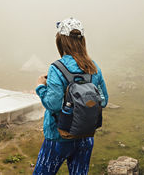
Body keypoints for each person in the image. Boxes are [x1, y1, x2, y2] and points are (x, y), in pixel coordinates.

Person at [32, 17, 108, 175]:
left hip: (58, 136)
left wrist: (41, 86)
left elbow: (53, 104)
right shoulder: (93, 68)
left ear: (61, 41)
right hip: (85, 136)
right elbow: (103, 100)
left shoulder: (57, 68)